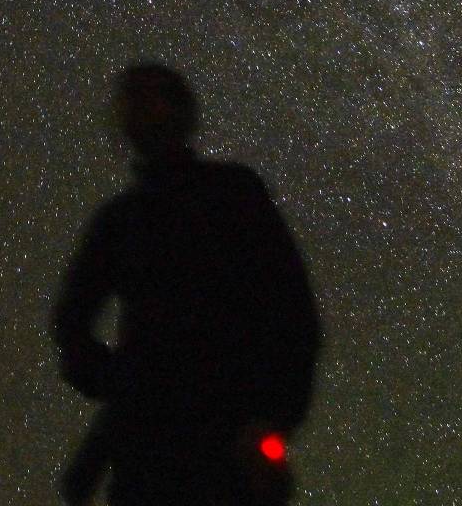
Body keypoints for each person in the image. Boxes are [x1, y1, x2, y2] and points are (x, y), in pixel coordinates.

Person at [52, 64, 321, 506]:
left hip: (219, 440)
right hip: (165, 448)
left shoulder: (228, 195)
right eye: (133, 101)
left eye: (150, 99)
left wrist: (271, 417)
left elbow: (290, 310)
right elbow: (71, 325)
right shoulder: (125, 220)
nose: (140, 111)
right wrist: (122, 383)